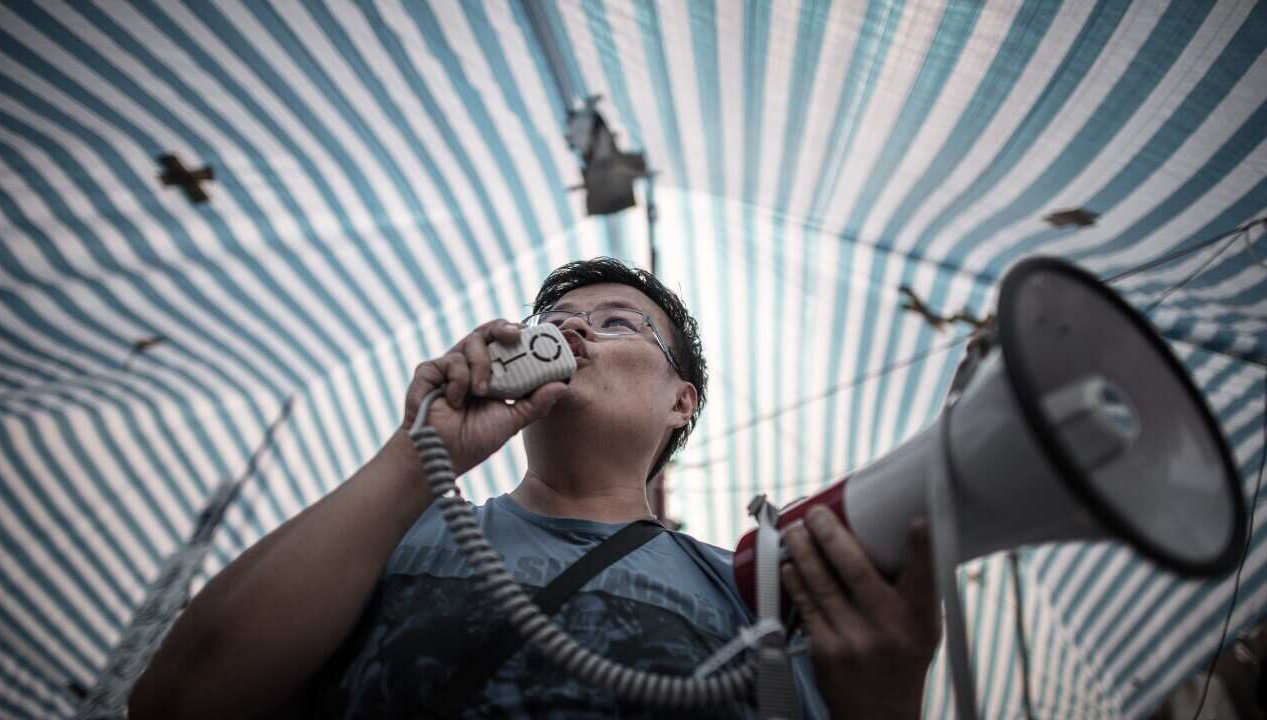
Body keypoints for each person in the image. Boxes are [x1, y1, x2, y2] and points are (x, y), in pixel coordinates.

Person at [129, 257, 940, 719]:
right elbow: (176, 700)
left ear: (680, 401)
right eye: (556, 320)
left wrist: (888, 701)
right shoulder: (399, 530)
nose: (574, 328)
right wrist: (417, 456)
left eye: (618, 322)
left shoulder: (744, 591)